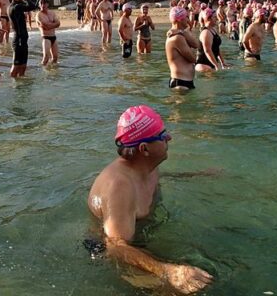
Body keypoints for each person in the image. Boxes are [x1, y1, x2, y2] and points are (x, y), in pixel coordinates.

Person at [87, 105, 213, 294]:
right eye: (162, 136)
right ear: (144, 148)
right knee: (182, 289)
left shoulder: (146, 166)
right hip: (109, 252)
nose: (169, 137)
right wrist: (168, 271)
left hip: (137, 242)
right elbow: (114, 247)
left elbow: (150, 178)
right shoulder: (119, 186)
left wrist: (194, 175)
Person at [165, 7, 198, 90]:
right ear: (180, 19)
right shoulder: (177, 38)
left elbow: (196, 45)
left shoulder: (180, 34)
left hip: (184, 81)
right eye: (186, 17)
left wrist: (182, 31)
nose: (188, 19)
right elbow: (193, 59)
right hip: (180, 83)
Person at [8, 0, 38, 77]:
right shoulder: (15, 7)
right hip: (18, 40)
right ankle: (13, 83)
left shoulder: (17, 6)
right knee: (16, 66)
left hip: (23, 39)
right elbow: (33, 6)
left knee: (23, 66)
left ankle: (21, 84)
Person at [36, 0, 60, 65]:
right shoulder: (39, 15)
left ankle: (51, 70)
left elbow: (58, 23)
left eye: (44, 3)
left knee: (55, 58)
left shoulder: (52, 13)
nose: (42, 5)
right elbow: (45, 27)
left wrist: (50, 25)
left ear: (47, 4)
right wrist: (53, 24)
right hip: (46, 37)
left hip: (53, 37)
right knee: (46, 58)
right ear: (39, 5)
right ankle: (42, 70)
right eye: (41, 3)